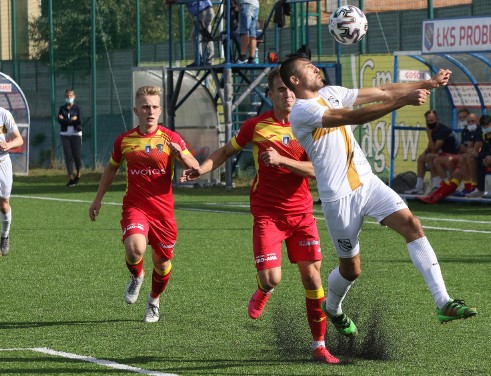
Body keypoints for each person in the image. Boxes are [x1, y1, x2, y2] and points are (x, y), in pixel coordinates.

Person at [279, 57, 477, 339]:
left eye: (313, 64)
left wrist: (428, 83)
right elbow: (353, 116)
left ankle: (443, 301)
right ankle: (333, 308)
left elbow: (384, 91)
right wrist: (403, 101)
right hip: (339, 199)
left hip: (368, 183)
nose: (314, 67)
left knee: (412, 225)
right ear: (295, 81)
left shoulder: (331, 93)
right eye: (307, 67)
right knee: (351, 270)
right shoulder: (302, 112)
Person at [179, 69, 340, 364]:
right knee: (271, 278)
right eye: (280, 90)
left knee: (312, 277)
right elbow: (226, 151)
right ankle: (263, 288)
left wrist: (282, 161)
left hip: (302, 215)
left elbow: (319, 171)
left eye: (292, 89)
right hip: (268, 215)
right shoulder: (256, 126)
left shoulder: (309, 125)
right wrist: (202, 169)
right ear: (271, 95)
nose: (288, 94)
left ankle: (319, 345)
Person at [88, 86, 200, 323]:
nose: (150, 111)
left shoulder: (171, 138)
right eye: (146, 106)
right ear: (136, 110)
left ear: (160, 111)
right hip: (135, 207)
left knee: (162, 263)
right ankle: (136, 275)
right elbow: (111, 168)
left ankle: (153, 301)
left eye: (155, 107)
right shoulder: (125, 140)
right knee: (135, 249)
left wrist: (183, 156)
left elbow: (193, 163)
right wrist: (98, 198)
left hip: (163, 212)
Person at [0, 80, 24, 258]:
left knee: (3, 205)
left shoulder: (4, 114)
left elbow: (19, 139)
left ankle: (5, 236)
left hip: (3, 166)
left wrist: (8, 145)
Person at [407, 110, 459, 195]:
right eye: (428, 121)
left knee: (430, 157)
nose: (430, 123)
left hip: (453, 154)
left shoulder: (442, 130)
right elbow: (430, 147)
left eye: (432, 120)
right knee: (421, 158)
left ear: (437, 119)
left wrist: (429, 135)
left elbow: (434, 149)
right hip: (444, 154)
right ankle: (419, 187)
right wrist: (424, 153)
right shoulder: (433, 130)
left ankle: (439, 185)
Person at [166, 0, 215, 66]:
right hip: (205, 10)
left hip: (203, 11)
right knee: (204, 36)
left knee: (200, 36)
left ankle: (203, 60)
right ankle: (205, 60)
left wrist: (169, 1)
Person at [464, 115, 491, 198]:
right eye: (483, 126)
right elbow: (484, 149)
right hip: (489, 155)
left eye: (487, 125)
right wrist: (480, 155)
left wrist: (487, 156)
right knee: (478, 160)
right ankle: (479, 189)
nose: (485, 127)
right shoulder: (484, 134)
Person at [57, 89, 83, 187]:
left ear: (74, 96)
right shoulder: (62, 108)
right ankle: (70, 178)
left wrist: (65, 120)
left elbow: (79, 120)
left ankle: (78, 174)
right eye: (67, 96)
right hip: (65, 135)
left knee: (77, 156)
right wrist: (71, 119)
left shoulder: (78, 108)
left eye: (70, 95)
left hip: (76, 134)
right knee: (68, 156)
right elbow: (59, 121)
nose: (69, 97)